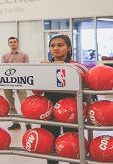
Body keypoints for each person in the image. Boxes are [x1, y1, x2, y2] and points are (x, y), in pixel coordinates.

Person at [41, 34, 78, 164]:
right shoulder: (45, 65)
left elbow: (82, 90)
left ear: (69, 48)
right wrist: (44, 70)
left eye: (60, 45)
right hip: (49, 111)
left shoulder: (76, 67)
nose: (55, 48)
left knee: (73, 145)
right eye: (52, 45)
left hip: (71, 111)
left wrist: (64, 68)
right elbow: (36, 91)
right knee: (49, 146)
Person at [1, 36, 32, 131]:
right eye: (11, 42)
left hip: (21, 82)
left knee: (24, 103)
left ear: (18, 43)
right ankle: (15, 123)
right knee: (10, 103)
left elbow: (27, 69)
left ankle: (28, 123)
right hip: (8, 83)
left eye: (15, 42)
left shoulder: (24, 55)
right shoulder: (5, 56)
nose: (13, 43)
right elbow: (2, 70)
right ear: (8, 44)